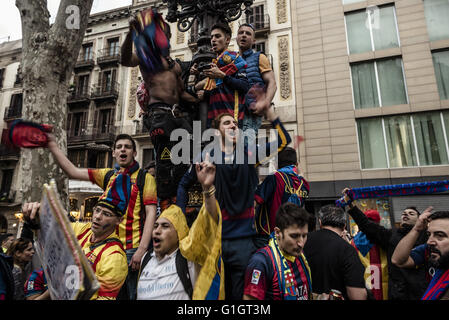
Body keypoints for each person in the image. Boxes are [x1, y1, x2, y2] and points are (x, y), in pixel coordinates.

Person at [177, 103, 291, 300]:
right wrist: (181, 218)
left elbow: (283, 140)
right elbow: (183, 185)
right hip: (215, 242)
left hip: (243, 242)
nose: (233, 126)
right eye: (227, 123)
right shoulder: (206, 156)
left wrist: (269, 112)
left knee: (240, 296)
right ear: (216, 131)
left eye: (235, 124)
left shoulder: (250, 153)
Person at [47, 133, 156, 300]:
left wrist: (141, 250)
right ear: (113, 153)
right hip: (104, 248)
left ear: (134, 153)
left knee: (133, 295)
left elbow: (150, 214)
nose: (123, 150)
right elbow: (72, 171)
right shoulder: (107, 175)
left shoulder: (145, 178)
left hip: (131, 249)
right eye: (119, 147)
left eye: (127, 147)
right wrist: (52, 144)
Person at [121, 9, 198, 207]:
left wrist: (202, 99)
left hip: (177, 117)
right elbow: (125, 59)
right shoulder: (147, 58)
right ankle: (165, 204)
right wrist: (131, 32)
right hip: (159, 116)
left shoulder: (175, 66)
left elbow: (181, 94)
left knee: (185, 160)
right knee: (165, 163)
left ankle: (182, 203)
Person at [137, 154, 224, 300]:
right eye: (156, 226)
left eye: (165, 226)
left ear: (179, 233)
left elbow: (209, 222)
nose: (157, 230)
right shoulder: (146, 258)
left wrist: (207, 189)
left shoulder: (189, 257)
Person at [22, 196, 129, 300]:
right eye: (97, 210)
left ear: (119, 220)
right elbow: (54, 227)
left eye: (106, 214)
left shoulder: (115, 256)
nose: (97, 216)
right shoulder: (85, 229)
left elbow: (105, 297)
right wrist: (39, 213)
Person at [342, 188, 429, 300]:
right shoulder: (391, 234)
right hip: (398, 292)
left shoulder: (427, 236)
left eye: (411, 213)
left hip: (421, 291)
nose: (406, 214)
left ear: (419, 219)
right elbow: (367, 225)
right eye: (403, 213)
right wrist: (351, 205)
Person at [243, 202, 312, 300]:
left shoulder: (300, 256)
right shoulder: (261, 262)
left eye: (304, 236)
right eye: (294, 236)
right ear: (277, 232)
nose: (301, 243)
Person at [303, 205, 367, 300]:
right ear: (344, 225)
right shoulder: (347, 250)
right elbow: (357, 296)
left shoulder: (302, 242)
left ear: (320, 222)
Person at [193, 22, 249, 129]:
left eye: (217, 36)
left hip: (231, 117)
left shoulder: (235, 59)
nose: (213, 40)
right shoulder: (215, 63)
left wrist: (222, 76)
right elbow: (220, 89)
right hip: (215, 119)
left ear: (227, 40)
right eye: (212, 37)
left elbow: (244, 86)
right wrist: (205, 94)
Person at [254, 147, 309, 247]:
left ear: (276, 164)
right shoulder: (304, 184)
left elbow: (256, 201)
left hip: (268, 236)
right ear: (296, 164)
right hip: (290, 237)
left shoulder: (274, 178)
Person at [391, 208, 449, 300]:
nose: (430, 241)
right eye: (429, 234)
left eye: (440, 235)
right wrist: (417, 229)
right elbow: (398, 260)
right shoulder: (427, 250)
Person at [237, 23, 277, 139]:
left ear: (254, 41)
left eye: (248, 34)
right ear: (236, 38)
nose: (244, 35)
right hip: (233, 112)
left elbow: (272, 83)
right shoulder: (232, 60)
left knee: (244, 149)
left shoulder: (260, 57)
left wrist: (265, 102)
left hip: (250, 115)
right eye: (241, 33)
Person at [349, 209, 389, 300]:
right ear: (378, 222)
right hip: (384, 285)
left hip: (363, 285)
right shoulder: (385, 237)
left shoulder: (353, 241)